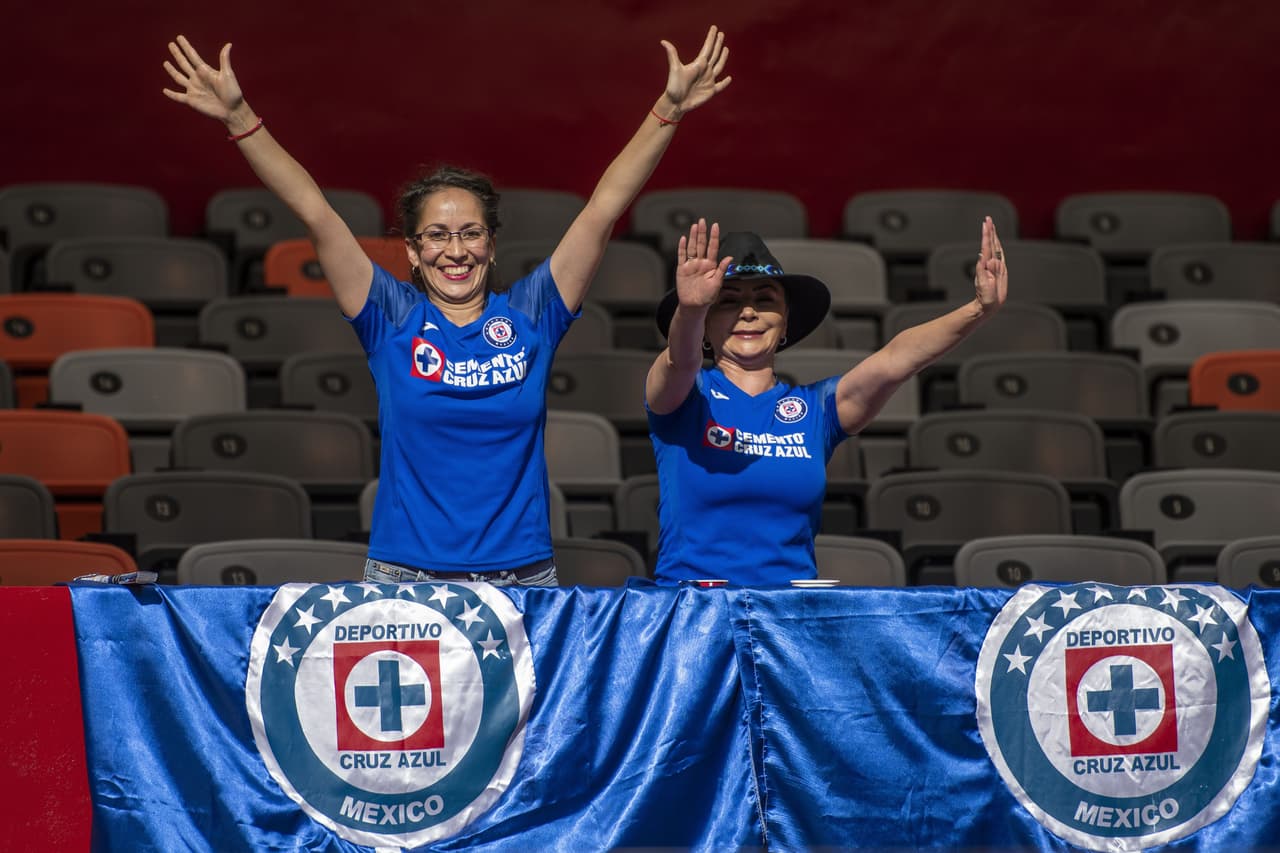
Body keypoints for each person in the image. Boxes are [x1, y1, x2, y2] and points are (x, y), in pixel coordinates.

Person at [163, 29, 731, 585]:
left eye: (470, 233)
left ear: (491, 243)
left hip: (521, 578)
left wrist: (668, 108)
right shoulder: (390, 317)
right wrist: (240, 119)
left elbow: (602, 209)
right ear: (412, 251)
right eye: (436, 235)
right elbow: (315, 211)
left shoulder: (533, 313)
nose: (455, 251)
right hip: (404, 576)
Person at [645, 218, 1008, 585]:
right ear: (706, 322)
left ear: (786, 322)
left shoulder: (816, 410)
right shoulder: (686, 394)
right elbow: (681, 360)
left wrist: (979, 309)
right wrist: (690, 311)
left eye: (765, 299)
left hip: (789, 624)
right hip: (692, 619)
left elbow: (896, 360)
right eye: (728, 300)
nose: (749, 311)